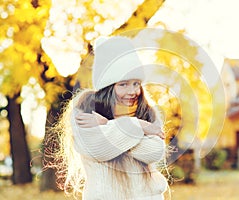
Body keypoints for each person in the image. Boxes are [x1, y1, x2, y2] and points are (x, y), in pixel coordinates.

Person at [50, 36, 169, 199]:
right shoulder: (85, 108)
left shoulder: (147, 111)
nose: (132, 91)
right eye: (123, 84)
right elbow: (99, 149)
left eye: (136, 83)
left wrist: (109, 125)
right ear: (107, 87)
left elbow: (154, 152)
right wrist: (139, 127)